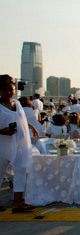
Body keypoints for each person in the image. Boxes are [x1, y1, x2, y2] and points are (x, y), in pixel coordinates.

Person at [0, 75, 37, 212]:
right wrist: (3, 131)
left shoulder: (18, 104)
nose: (9, 92)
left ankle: (18, 202)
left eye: (12, 89)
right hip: (3, 144)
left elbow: (21, 121)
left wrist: (31, 128)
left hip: (20, 144)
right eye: (5, 89)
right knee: (0, 172)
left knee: (21, 170)